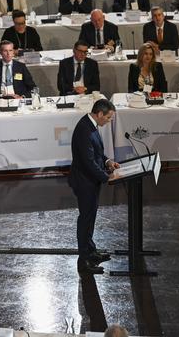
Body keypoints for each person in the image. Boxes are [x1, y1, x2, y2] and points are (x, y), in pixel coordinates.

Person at [69, 99, 120, 274]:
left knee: (90, 218)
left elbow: (96, 153)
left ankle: (91, 252)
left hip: (90, 181)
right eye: (108, 117)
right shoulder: (84, 130)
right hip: (84, 183)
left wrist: (107, 161)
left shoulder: (90, 125)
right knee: (85, 220)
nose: (109, 121)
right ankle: (84, 262)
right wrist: (108, 178)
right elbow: (89, 163)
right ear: (99, 114)